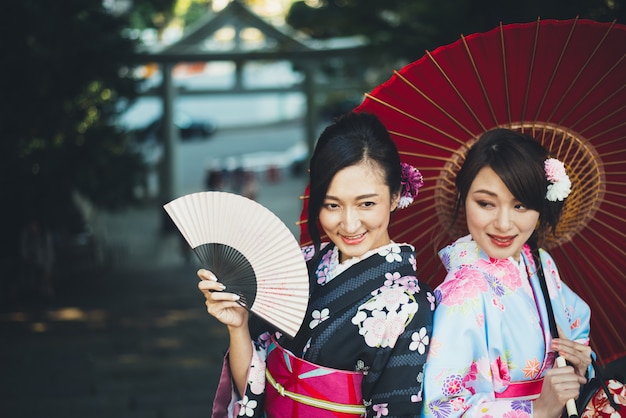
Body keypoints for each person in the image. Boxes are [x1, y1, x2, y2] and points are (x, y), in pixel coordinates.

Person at [198, 111, 435, 417]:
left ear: (395, 196)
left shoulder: (411, 306)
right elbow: (254, 387)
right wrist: (239, 326)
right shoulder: (299, 265)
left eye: (366, 204)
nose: (349, 224)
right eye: (332, 205)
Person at [422, 129, 593, 418]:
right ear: (464, 198)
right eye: (486, 203)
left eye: (521, 205)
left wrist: (579, 364)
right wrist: (536, 410)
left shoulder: (539, 261)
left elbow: (577, 327)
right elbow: (442, 408)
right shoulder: (464, 292)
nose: (503, 223)